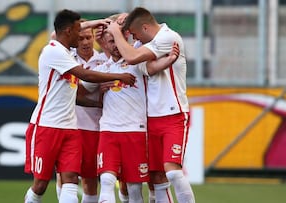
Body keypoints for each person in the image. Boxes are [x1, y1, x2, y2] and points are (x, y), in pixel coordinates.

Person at [23, 9, 136, 203]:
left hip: (70, 129)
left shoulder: (65, 51)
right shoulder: (53, 51)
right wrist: (119, 76)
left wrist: (98, 103)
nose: (82, 36)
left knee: (71, 180)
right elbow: (85, 75)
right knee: (40, 184)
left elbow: (76, 96)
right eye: (78, 31)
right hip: (46, 126)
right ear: (68, 31)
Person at [107, 7, 196, 203]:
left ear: (145, 27)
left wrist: (115, 31)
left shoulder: (168, 37)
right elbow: (148, 68)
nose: (134, 38)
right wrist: (121, 20)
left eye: (136, 33)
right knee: (156, 177)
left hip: (174, 114)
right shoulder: (142, 44)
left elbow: (130, 57)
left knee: (172, 172)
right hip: (149, 119)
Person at [81, 26, 179, 203]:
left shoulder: (136, 64)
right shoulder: (102, 69)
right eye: (111, 42)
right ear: (105, 44)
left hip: (136, 131)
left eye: (118, 41)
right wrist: (99, 94)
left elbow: (153, 68)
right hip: (108, 130)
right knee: (107, 180)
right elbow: (79, 91)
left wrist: (170, 60)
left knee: (134, 188)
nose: (116, 45)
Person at [55, 21, 108, 203]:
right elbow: (54, 37)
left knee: (90, 179)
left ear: (94, 37)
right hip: (70, 125)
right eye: (80, 38)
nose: (85, 42)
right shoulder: (66, 57)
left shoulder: (104, 60)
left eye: (88, 37)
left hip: (94, 126)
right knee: (65, 175)